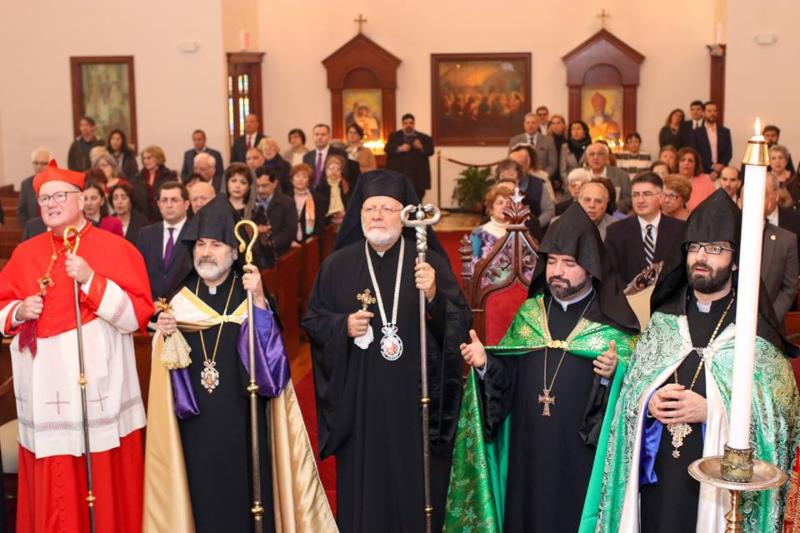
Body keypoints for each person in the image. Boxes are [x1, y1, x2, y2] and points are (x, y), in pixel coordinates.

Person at [590, 189, 800, 532]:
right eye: (695, 247)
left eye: (715, 249)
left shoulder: (755, 336)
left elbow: (779, 420)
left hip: (720, 493)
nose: (702, 256)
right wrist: (647, 401)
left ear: (736, 260)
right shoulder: (663, 323)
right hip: (656, 480)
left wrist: (712, 410)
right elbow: (630, 393)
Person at [143, 195, 335, 533]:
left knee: (249, 495)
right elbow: (164, 368)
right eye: (201, 244)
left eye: (216, 244)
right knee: (202, 498)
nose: (206, 252)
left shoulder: (250, 296)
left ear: (234, 252)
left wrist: (259, 301)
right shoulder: (179, 302)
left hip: (246, 420)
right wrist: (165, 333)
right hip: (195, 426)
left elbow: (274, 369)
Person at [447, 201, 639, 532]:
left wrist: (615, 374)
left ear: (590, 267)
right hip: (528, 451)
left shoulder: (612, 328)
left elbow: (634, 400)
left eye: (569, 263)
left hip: (579, 458)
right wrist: (485, 364)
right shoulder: (530, 314)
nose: (557, 271)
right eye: (551, 261)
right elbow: (507, 380)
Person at [303, 170, 472, 533]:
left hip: (416, 400)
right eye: (369, 209)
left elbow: (459, 326)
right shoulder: (337, 265)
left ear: (405, 215)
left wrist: (434, 296)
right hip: (361, 401)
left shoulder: (426, 261)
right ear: (359, 214)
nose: (377, 216)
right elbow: (313, 322)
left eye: (387, 208)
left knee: (417, 487)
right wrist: (342, 326)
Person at [0, 160, 153, 532]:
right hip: (45, 395)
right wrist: (19, 311)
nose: (51, 203)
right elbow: (2, 307)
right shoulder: (26, 253)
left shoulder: (115, 248)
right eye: (44, 198)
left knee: (101, 481)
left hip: (99, 391)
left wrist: (91, 280)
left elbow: (136, 316)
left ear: (82, 200)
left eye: (59, 196)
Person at [604, 173, 685, 284]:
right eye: (635, 195)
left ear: (661, 197)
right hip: (627, 293)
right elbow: (610, 274)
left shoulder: (680, 229)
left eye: (647, 194)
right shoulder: (615, 232)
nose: (640, 200)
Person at [136, 181, 193, 301]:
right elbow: (139, 272)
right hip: (152, 306)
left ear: (186, 204)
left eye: (174, 200)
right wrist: (152, 302)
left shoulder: (195, 234)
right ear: (159, 204)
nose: (169, 205)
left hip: (185, 306)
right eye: (164, 200)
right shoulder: (146, 234)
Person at [758, 173, 799, 322]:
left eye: (763, 193)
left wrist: (771, 318)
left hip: (774, 319)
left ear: (776, 195)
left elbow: (789, 286)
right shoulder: (734, 228)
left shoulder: (795, 222)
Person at [251, 167, 298, 269]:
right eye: (257, 186)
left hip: (279, 256)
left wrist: (269, 244)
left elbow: (290, 232)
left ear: (275, 184)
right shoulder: (249, 203)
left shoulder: (287, 203)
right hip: (254, 256)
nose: (260, 190)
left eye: (265, 186)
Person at [385, 113, 435, 201]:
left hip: (418, 178)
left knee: (417, 201)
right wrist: (399, 148)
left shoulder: (424, 137)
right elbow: (387, 149)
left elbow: (431, 151)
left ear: (414, 123)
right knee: (399, 200)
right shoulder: (394, 136)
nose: (408, 125)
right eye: (406, 123)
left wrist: (421, 147)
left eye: (411, 123)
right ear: (402, 124)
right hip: (399, 176)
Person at [493, 159, 544, 240]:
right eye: (503, 175)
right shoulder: (486, 222)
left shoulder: (531, 221)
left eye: (511, 174)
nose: (506, 177)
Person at [509, 145, 556, 228]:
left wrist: (535, 225)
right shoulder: (502, 185)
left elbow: (549, 210)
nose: (516, 170)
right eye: (512, 166)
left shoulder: (539, 185)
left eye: (520, 166)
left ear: (528, 165)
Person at [132, 144, 178, 222]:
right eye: (144, 158)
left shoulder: (169, 176)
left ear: (158, 158)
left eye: (149, 158)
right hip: (143, 218)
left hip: (163, 217)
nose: (146, 161)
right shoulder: (137, 178)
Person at [470, 182, 513, 260]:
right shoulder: (478, 233)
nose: (505, 206)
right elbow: (472, 262)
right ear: (491, 208)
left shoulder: (519, 231)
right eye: (500, 203)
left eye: (508, 203)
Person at [509, 112, 558, 179]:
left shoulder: (549, 141)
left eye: (533, 123)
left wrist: (543, 176)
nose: (530, 125)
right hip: (520, 178)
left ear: (538, 124)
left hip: (542, 178)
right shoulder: (515, 140)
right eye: (528, 123)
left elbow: (553, 164)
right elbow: (510, 161)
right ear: (524, 124)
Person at [690, 101, 732, 176]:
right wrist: (711, 166)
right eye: (709, 111)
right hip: (703, 171)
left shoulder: (725, 131)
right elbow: (696, 153)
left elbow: (728, 152)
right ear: (703, 113)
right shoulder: (696, 133)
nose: (712, 113)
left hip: (721, 171)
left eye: (715, 111)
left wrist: (721, 165)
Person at [303, 124, 349, 189]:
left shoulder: (340, 154)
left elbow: (345, 175)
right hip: (311, 192)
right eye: (316, 134)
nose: (319, 137)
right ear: (313, 136)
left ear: (329, 137)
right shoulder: (307, 156)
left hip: (332, 191)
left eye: (323, 134)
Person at [17, 147, 51, 226]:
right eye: (36, 163)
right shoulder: (26, 184)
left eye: (43, 163)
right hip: (33, 227)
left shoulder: (56, 183)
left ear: (50, 164)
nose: (39, 166)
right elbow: (21, 210)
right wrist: (29, 227)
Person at [290, 163, 323, 245]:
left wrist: (312, 238)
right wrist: (289, 240)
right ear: (292, 179)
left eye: (304, 177)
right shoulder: (285, 198)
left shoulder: (317, 198)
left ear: (309, 181)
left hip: (310, 240)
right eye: (297, 176)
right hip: (290, 241)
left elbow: (320, 222)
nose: (300, 179)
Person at [315, 154, 350, 228]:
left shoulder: (347, 186)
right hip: (326, 223)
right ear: (326, 170)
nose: (334, 172)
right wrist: (332, 217)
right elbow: (319, 212)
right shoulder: (320, 188)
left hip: (345, 220)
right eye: (331, 168)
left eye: (338, 169)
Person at [548, 114, 568, 192]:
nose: (555, 126)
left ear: (563, 125)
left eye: (558, 123)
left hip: (565, 175)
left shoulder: (568, 141)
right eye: (553, 123)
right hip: (551, 175)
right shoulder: (547, 141)